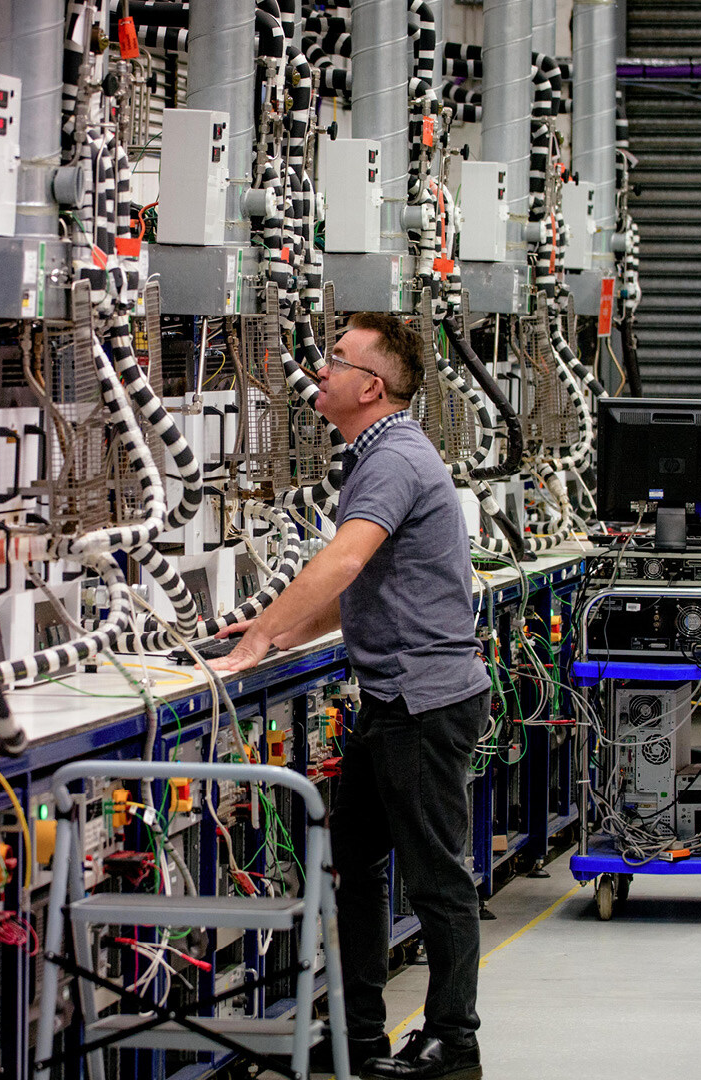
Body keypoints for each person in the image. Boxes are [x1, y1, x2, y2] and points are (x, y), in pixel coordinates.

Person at [209, 312, 490, 1080]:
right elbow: (363, 583)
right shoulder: (376, 454)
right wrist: (275, 625)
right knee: (352, 861)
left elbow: (341, 561)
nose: (320, 371)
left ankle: (453, 1042)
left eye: (336, 359)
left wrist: (262, 640)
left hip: (424, 703)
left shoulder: (393, 457)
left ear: (371, 386)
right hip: (395, 699)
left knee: (436, 878)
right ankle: (359, 1031)